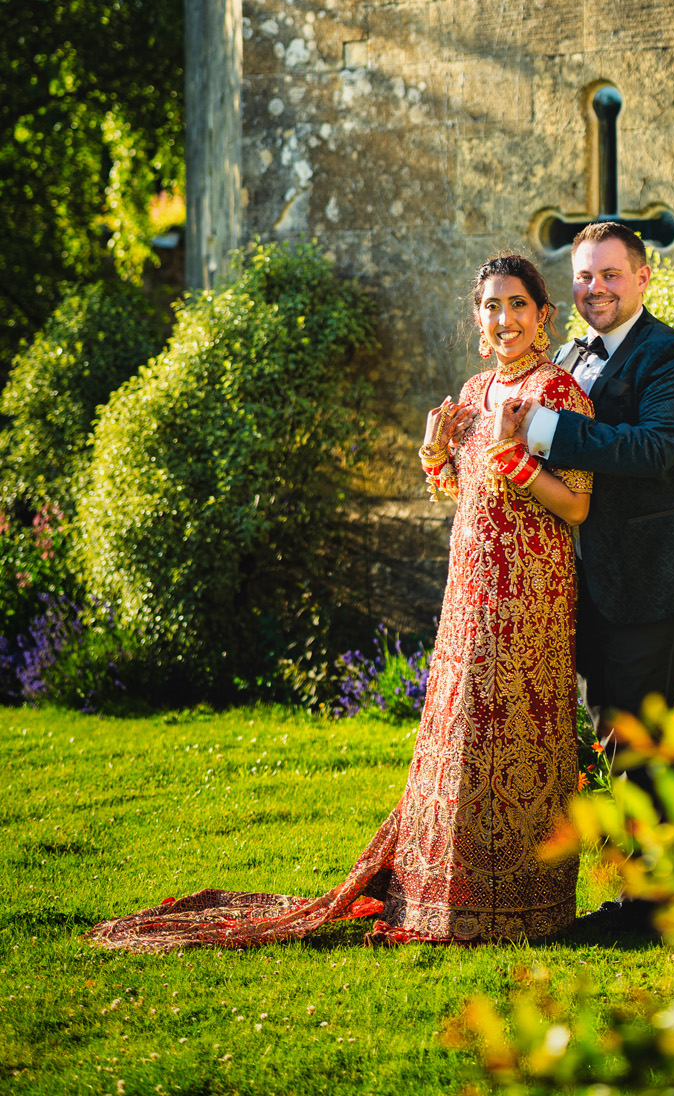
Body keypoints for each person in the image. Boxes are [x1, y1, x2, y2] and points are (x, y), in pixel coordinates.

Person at [88, 254, 593, 953]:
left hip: (530, 596)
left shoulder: (557, 391)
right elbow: (463, 493)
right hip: (470, 588)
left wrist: (515, 458)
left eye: (516, 305)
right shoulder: (475, 390)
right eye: (490, 306)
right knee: (463, 740)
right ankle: (456, 894)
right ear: (477, 319)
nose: (503, 319)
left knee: (514, 738)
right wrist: (433, 454)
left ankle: (528, 906)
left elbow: (577, 503)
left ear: (542, 316)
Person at [509, 219, 674, 927]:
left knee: (637, 741)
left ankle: (653, 906)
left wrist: (540, 429)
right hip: (592, 580)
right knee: (620, 738)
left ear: (642, 278)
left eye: (609, 274)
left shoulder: (673, 358)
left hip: (656, 580)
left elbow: (653, 449)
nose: (594, 288)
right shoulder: (574, 354)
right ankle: (664, 893)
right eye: (583, 276)